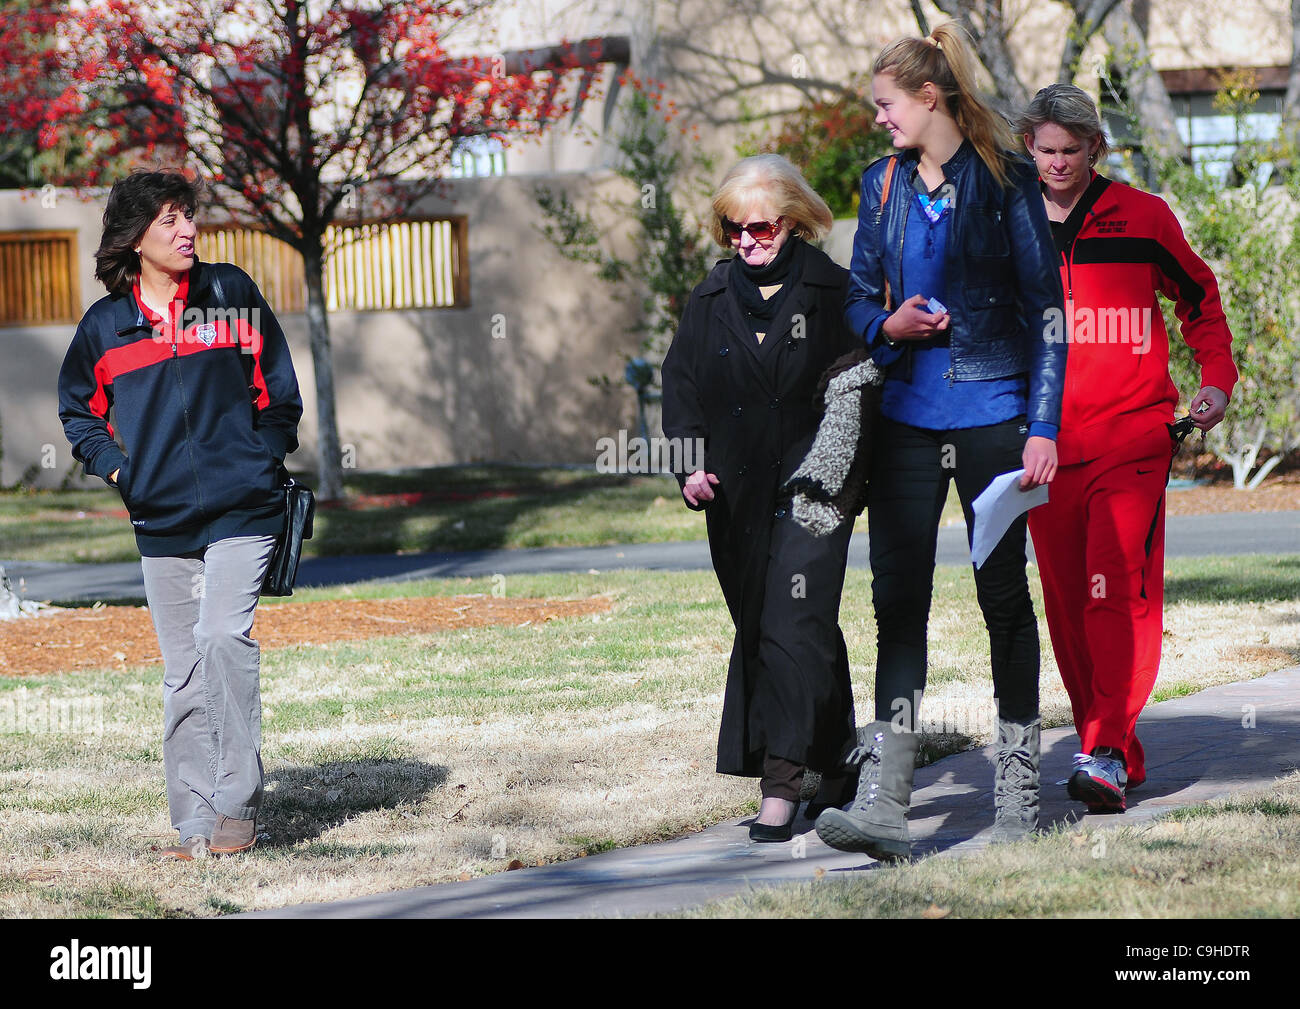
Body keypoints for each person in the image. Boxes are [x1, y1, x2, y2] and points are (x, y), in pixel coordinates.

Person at [813, 22, 1067, 859]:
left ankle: (1020, 799)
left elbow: (1048, 315)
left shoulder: (1009, 182)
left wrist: (1042, 426)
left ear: (930, 98)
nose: (878, 120)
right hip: (906, 423)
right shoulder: (879, 185)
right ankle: (888, 802)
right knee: (898, 608)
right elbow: (854, 297)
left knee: (1003, 599)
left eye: (886, 106)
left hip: (995, 418)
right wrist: (885, 321)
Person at [59, 170, 302, 859]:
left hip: (243, 508)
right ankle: (194, 824)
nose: (186, 230)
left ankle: (236, 807)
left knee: (223, 637)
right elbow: (79, 411)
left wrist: (259, 456)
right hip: (160, 519)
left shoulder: (232, 296)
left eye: (188, 216)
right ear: (136, 239)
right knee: (184, 673)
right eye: (168, 220)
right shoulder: (105, 327)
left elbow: (280, 393)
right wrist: (119, 469)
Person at [1016, 84, 1236, 812]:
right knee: (1071, 605)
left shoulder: (1142, 216)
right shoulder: (1005, 222)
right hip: (1043, 449)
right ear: (1028, 147)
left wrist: (1217, 380)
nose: (1056, 163)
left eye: (1070, 151)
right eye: (1044, 150)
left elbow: (1199, 298)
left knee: (1119, 589)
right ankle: (1112, 750)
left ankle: (1106, 745)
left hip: (1134, 436)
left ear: (1095, 148)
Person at [661, 154, 862, 842]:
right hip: (735, 496)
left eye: (760, 229)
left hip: (816, 489)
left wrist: (838, 472)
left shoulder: (834, 292)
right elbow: (681, 389)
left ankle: (782, 784)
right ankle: (837, 756)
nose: (747, 242)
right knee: (777, 624)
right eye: (734, 231)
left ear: (793, 223)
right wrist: (688, 466)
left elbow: (857, 384)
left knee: (790, 623)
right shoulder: (710, 300)